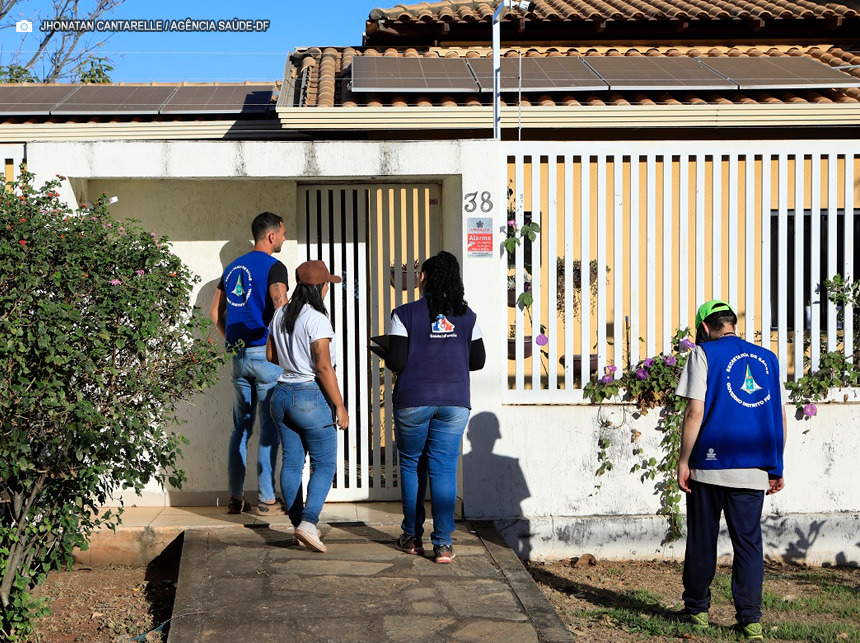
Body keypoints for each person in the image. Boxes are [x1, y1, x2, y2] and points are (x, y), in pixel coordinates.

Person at [675, 299, 787, 642]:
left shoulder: (703, 354)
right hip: (754, 466)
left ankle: (697, 611)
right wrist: (777, 465)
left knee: (702, 539)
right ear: (732, 324)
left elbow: (695, 411)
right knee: (749, 544)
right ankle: (751, 622)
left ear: (704, 327)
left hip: (709, 466)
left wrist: (683, 460)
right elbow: (780, 416)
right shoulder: (768, 358)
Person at [385, 251, 486, 564]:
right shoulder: (468, 316)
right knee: (442, 468)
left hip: (413, 400)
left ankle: (411, 537)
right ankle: (442, 544)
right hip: (455, 402)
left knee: (412, 465)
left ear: (423, 279)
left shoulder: (404, 313)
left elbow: (396, 360)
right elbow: (478, 361)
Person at [209, 212, 289, 516]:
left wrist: (231, 341)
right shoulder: (274, 266)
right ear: (271, 235)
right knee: (269, 429)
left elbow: (215, 313)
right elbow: (281, 308)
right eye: (282, 233)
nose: (283, 238)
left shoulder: (231, 268)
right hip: (266, 358)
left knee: (240, 430)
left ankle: (235, 497)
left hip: (239, 357)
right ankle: (267, 499)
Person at [267, 260, 348, 553]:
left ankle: (298, 525)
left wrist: (294, 360)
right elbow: (323, 366)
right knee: (324, 463)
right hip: (309, 396)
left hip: (281, 394)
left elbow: (271, 355)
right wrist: (340, 406)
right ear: (320, 287)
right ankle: (309, 523)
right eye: (326, 285)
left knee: (291, 463)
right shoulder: (317, 319)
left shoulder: (280, 314)